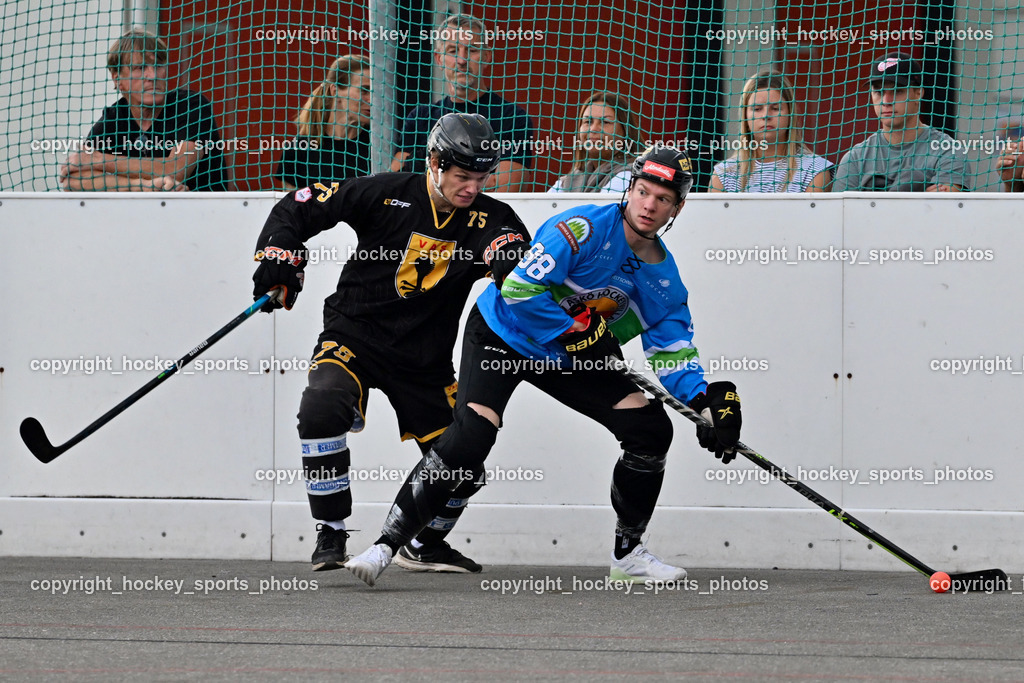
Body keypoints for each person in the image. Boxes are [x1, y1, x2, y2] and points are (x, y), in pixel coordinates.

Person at [345, 145, 744, 587]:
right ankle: (386, 544)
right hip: (504, 333)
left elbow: (672, 350)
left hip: (565, 357)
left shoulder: (662, 279)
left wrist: (704, 402)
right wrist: (578, 334)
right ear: (630, 188)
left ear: (678, 207)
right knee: (473, 434)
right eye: (644, 191)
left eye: (663, 199)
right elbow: (518, 288)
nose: (649, 205)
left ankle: (628, 555)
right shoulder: (582, 228)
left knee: (651, 431)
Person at [252, 113, 530, 574]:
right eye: (462, 177)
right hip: (354, 335)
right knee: (321, 407)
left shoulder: (492, 216)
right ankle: (332, 530)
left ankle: (425, 544)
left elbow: (513, 253)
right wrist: (280, 253)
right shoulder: (385, 191)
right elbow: (299, 205)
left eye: (481, 178)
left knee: (465, 468)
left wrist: (512, 265)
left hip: (425, 362)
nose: (472, 188)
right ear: (434, 162)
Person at [60, 29, 230, 192]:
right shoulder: (114, 118)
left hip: (204, 214)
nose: (153, 76)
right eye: (141, 68)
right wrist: (140, 186)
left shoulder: (191, 106)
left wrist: (98, 160)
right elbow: (73, 180)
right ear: (118, 79)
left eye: (158, 66)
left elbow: (175, 169)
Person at [390, 14, 534, 191]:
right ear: (439, 59)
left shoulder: (512, 118)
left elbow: (508, 189)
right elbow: (396, 183)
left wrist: (433, 177)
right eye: (452, 51)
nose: (462, 60)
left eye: (472, 50)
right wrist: (482, 179)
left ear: (487, 56)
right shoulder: (420, 117)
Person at [832, 52, 971, 192]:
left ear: (918, 93)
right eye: (879, 92)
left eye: (897, 91)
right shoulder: (855, 159)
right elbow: (841, 212)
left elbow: (942, 210)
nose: (886, 101)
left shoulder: (946, 150)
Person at [710, 69, 832, 192]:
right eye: (757, 109)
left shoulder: (815, 170)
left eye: (775, 108)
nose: (766, 116)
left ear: (790, 114)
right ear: (745, 117)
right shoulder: (723, 175)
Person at [275, 55, 371, 191]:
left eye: (375, 91)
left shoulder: (379, 145)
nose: (372, 99)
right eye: (364, 90)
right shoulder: (300, 149)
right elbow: (292, 208)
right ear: (335, 90)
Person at [549, 91, 640, 193]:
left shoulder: (628, 176)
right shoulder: (570, 181)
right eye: (588, 122)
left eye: (605, 122)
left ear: (625, 131)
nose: (593, 129)